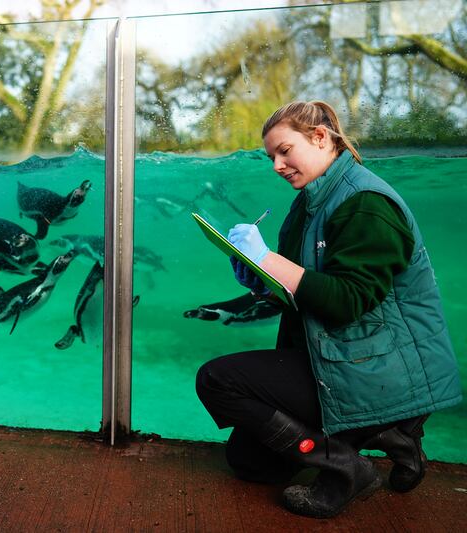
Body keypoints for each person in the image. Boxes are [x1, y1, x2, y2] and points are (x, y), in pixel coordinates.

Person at [195, 100, 462, 519]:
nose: (277, 165)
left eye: (285, 151)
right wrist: (262, 282)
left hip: (382, 373)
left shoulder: (367, 203)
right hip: (337, 361)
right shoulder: (307, 205)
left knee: (216, 380)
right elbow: (304, 288)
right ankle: (387, 435)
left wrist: (268, 259)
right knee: (252, 462)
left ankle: (345, 466)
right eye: (271, 157)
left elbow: (347, 303)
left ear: (321, 138)